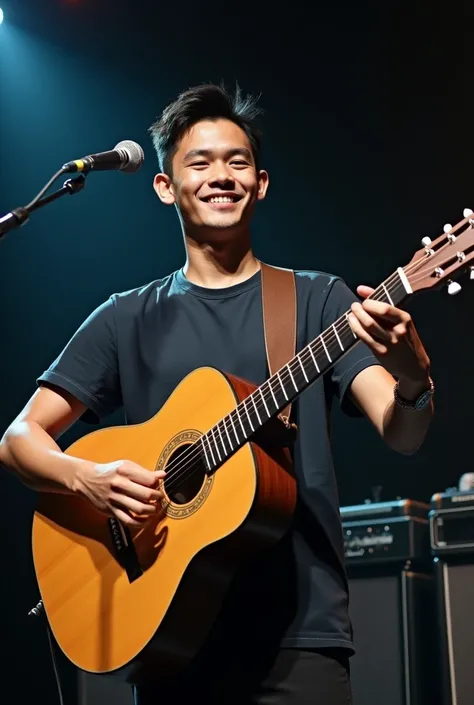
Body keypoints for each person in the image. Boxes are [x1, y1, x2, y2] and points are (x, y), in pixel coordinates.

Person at [0, 83, 434, 705]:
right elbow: (18, 441)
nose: (221, 176)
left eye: (237, 162)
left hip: (297, 639)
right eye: (199, 163)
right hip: (166, 633)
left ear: (260, 184)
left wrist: (414, 376)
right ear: (165, 187)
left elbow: (404, 432)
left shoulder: (318, 301)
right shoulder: (126, 317)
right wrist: (84, 478)